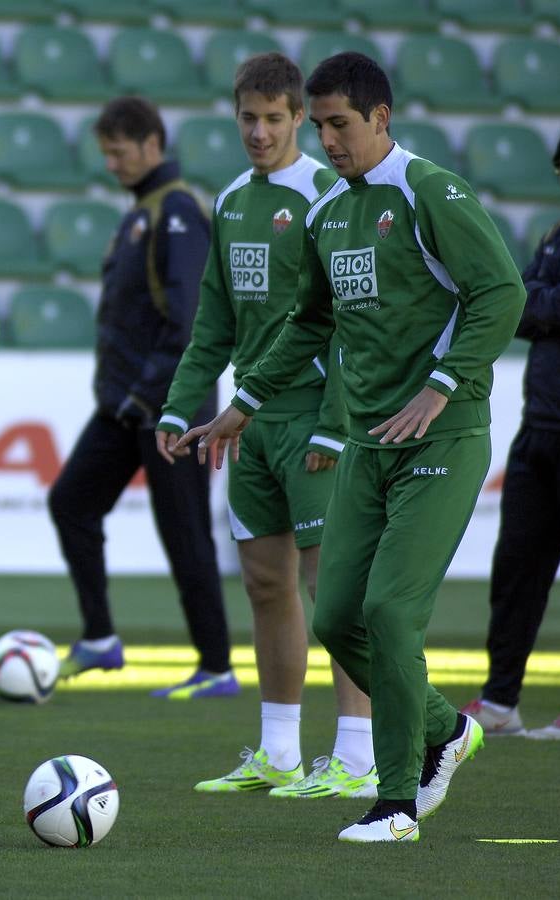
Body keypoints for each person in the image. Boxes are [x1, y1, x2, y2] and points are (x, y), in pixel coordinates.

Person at [179, 52, 526, 842]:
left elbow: (501, 292)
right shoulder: (328, 213)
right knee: (337, 616)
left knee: (390, 613)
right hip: (371, 443)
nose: (330, 141)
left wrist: (441, 385)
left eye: (341, 124)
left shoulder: (428, 191)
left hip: (444, 436)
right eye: (324, 125)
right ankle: (445, 729)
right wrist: (246, 403)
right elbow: (309, 321)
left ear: (381, 118)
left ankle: (396, 798)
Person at [155, 53, 377, 798]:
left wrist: (336, 424)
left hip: (315, 418)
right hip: (249, 422)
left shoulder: (325, 193)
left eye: (274, 119)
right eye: (247, 118)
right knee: (264, 584)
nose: (258, 132)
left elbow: (350, 320)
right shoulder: (232, 202)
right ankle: (279, 751)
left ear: (297, 121)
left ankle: (355, 756)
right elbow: (212, 321)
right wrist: (180, 404)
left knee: (331, 587)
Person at [50, 96, 235, 698]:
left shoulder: (177, 213)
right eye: (105, 152)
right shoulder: (143, 213)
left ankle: (217, 668)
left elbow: (188, 321)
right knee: (71, 500)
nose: (111, 163)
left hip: (168, 406)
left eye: (119, 151)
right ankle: (100, 639)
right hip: (127, 405)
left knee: (184, 532)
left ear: (152, 145)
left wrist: (152, 395)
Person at [461, 129, 560, 742]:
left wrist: (540, 303)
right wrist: (543, 304)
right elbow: (514, 306)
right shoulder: (554, 240)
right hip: (539, 428)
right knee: (517, 571)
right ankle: (501, 700)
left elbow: (531, 304)